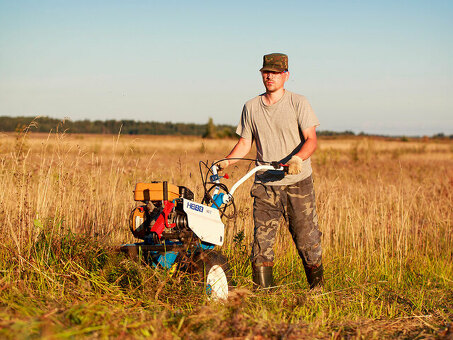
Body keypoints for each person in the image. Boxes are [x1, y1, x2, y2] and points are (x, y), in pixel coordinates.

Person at [217, 53, 323, 289]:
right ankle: (265, 295)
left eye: (275, 72)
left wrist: (297, 158)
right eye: (266, 72)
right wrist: (225, 162)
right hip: (265, 185)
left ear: (286, 75)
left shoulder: (299, 102)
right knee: (261, 243)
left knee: (307, 239)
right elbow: (245, 144)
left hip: (297, 181)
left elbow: (311, 140)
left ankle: (317, 290)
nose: (270, 76)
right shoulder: (251, 107)